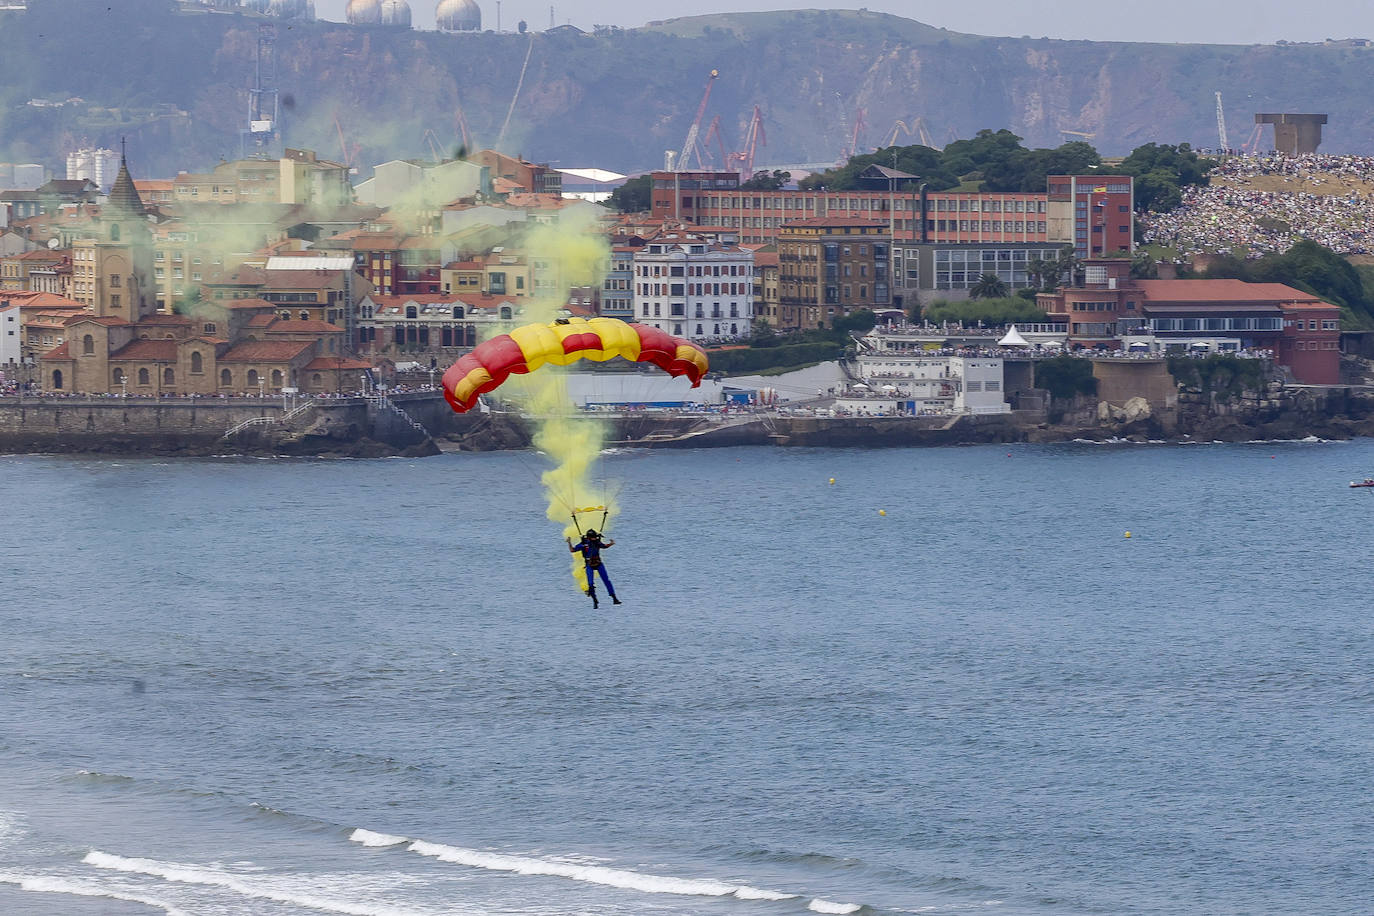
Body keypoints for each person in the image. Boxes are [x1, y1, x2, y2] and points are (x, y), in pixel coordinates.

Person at [567, 528, 621, 608]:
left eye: (595, 537)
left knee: (606, 580)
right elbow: (572, 550)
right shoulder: (583, 544)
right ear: (589, 538)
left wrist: (611, 544)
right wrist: (569, 542)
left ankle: (614, 598)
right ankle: (595, 601)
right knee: (590, 584)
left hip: (599, 564)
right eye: (593, 537)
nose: (595, 538)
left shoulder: (597, 542)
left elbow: (604, 546)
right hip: (589, 565)